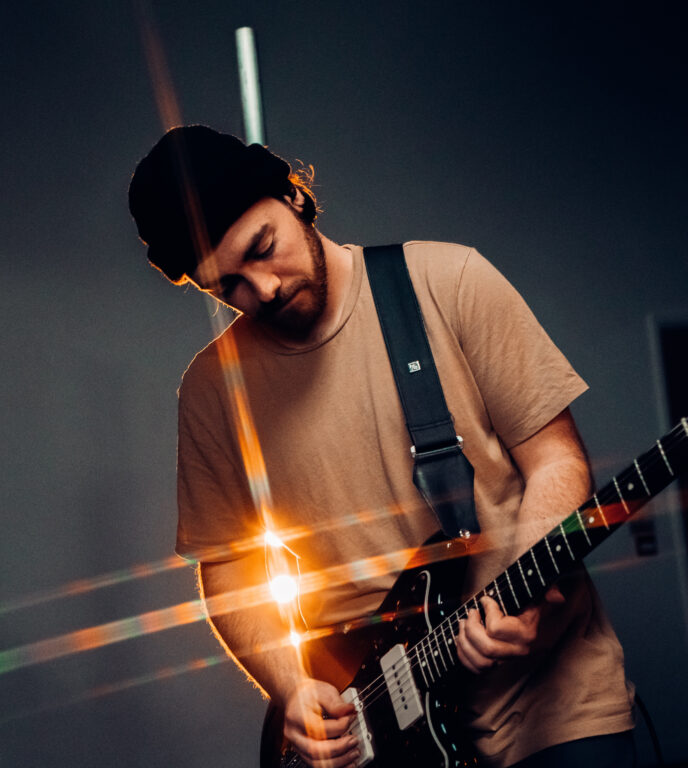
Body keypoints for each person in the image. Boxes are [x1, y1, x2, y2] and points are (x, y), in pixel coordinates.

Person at [128, 125, 636, 768]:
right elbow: (229, 570)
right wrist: (290, 686)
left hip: (552, 706)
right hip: (379, 729)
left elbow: (556, 459)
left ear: (293, 195)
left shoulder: (449, 282)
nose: (262, 291)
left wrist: (526, 592)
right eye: (226, 286)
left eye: (263, 247)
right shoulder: (210, 391)